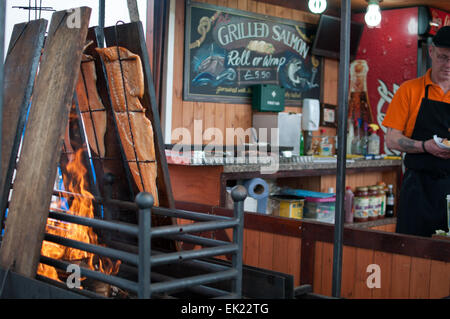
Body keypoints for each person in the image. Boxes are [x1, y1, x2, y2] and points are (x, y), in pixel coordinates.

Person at [382, 26, 450, 237]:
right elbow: (392, 139)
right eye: (443, 57)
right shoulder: (409, 90)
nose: (448, 65)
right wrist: (424, 146)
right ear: (431, 52)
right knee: (409, 253)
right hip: (417, 188)